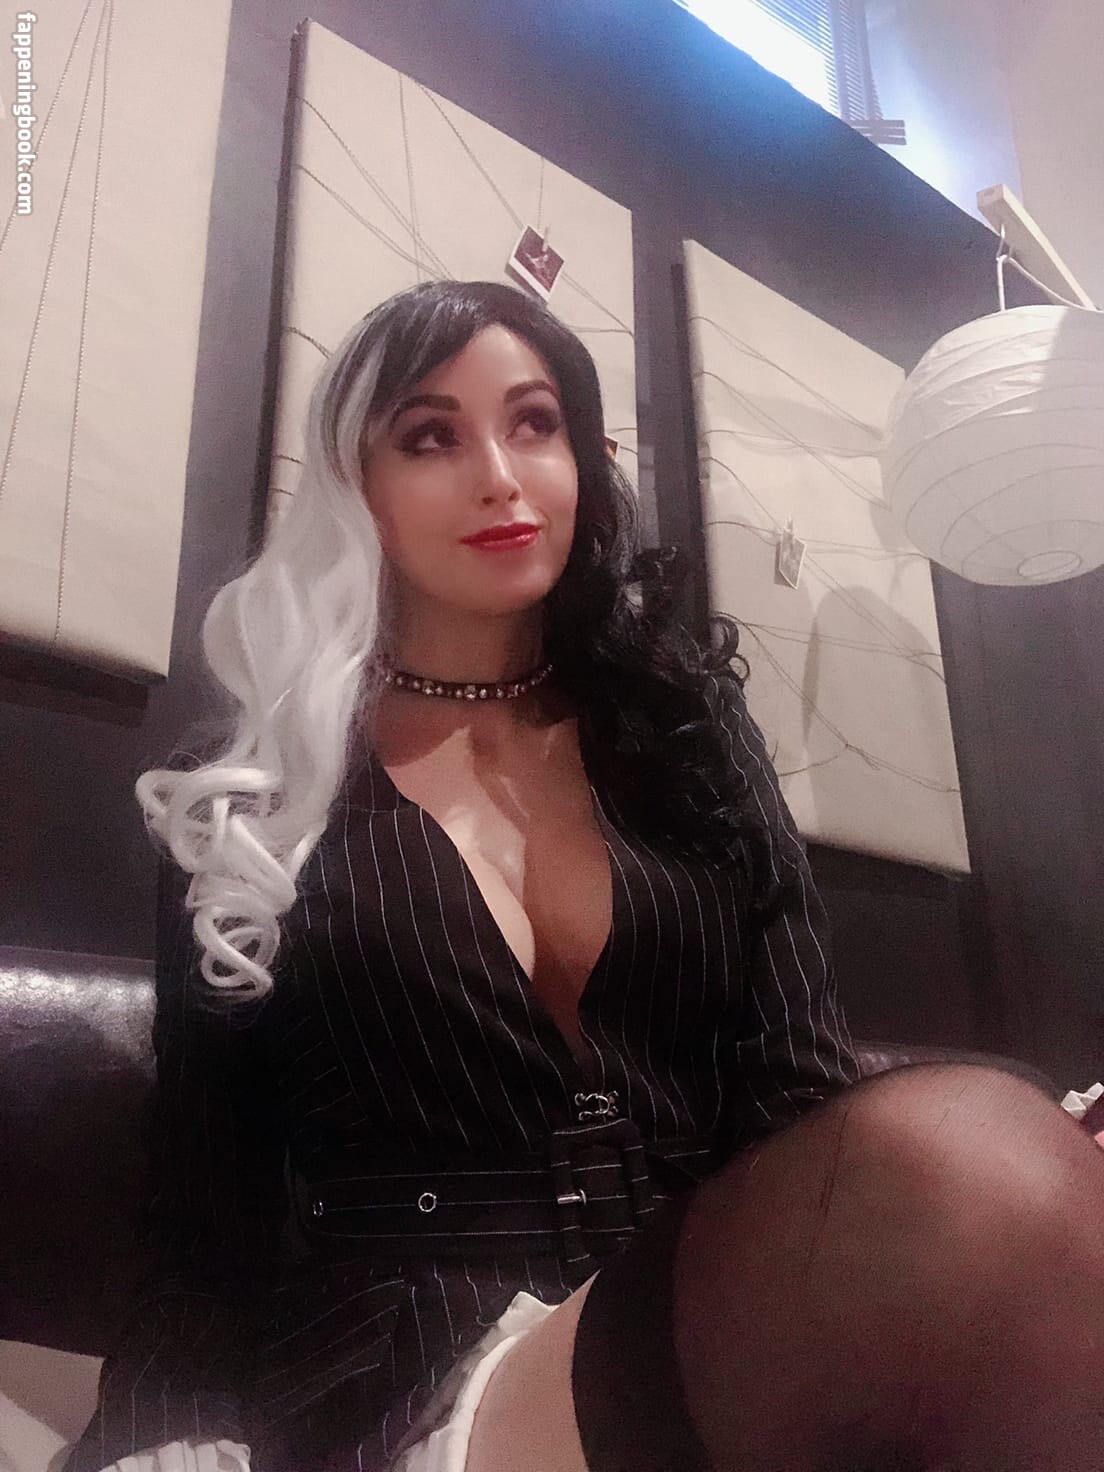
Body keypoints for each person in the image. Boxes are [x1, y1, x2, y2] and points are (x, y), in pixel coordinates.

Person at [65, 280, 1104, 1472]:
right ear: (358, 483)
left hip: (693, 1313)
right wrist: (158, 1425)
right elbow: (202, 1205)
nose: (500, 475)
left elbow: (796, 1091)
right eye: (432, 436)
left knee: (1001, 1171)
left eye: (535, 423)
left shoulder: (685, 735)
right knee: (984, 1153)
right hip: (406, 1375)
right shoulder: (248, 799)